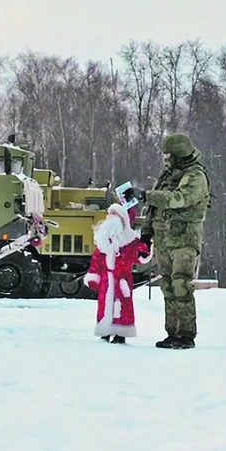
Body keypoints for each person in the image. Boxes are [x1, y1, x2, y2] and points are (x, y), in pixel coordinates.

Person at [123, 133, 210, 349]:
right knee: (168, 287)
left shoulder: (196, 176)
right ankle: (173, 333)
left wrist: (146, 195)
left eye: (168, 154)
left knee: (181, 285)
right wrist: (146, 233)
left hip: (184, 240)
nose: (165, 158)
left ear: (178, 154)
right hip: (164, 240)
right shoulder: (167, 176)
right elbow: (155, 209)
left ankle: (186, 335)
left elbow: (177, 199)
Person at [82, 203, 152, 344]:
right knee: (105, 306)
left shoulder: (130, 240)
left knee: (123, 307)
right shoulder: (103, 240)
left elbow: (140, 257)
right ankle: (105, 331)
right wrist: (93, 276)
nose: (111, 218)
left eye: (115, 215)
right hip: (106, 282)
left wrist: (146, 247)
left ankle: (121, 333)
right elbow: (96, 260)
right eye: (110, 214)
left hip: (122, 281)